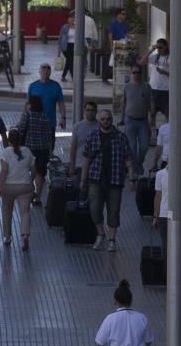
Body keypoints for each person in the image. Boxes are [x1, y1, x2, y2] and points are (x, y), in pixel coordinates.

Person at [81, 110, 135, 252]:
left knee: (114, 210)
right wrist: (83, 180)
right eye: (103, 119)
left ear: (112, 120)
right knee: (94, 209)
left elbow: (128, 159)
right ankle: (100, 234)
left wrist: (131, 178)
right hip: (95, 178)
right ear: (99, 121)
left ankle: (111, 239)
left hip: (115, 179)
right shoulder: (92, 137)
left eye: (108, 119)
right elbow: (86, 159)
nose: (106, 122)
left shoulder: (121, 137)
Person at [152, 163, 181, 280]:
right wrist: (155, 216)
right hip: (164, 215)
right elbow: (158, 196)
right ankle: (169, 278)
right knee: (167, 248)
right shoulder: (160, 174)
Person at [0, 129, 36, 250]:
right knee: (25, 212)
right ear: (20, 139)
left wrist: (0, 187)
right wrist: (31, 181)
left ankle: (7, 237)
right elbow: (34, 169)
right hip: (25, 186)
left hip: (8, 187)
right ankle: (25, 236)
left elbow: (4, 171)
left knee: (7, 212)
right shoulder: (27, 151)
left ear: (9, 140)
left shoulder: (6, 152)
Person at [16, 95, 53, 206]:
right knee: (40, 173)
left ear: (31, 104)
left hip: (28, 148)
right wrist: (50, 151)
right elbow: (48, 136)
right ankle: (37, 197)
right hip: (42, 149)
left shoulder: (27, 115)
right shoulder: (44, 117)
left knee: (27, 172)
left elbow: (20, 130)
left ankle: (29, 192)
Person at [95, 279, 153, 346]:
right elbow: (148, 341)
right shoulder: (142, 318)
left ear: (116, 302)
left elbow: (100, 342)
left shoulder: (110, 319)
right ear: (131, 301)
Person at [118, 64, 151, 176]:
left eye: (138, 72)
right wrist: (121, 119)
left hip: (143, 121)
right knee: (131, 148)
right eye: (134, 72)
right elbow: (123, 103)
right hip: (130, 120)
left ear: (141, 74)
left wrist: (152, 121)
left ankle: (138, 164)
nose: (136, 74)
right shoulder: (127, 87)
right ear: (131, 73)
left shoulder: (146, 86)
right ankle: (136, 171)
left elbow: (151, 104)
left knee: (144, 147)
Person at [140, 38, 170, 130]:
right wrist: (151, 50)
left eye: (160, 47)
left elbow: (176, 75)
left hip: (166, 90)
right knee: (152, 113)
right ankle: (152, 133)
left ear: (165, 47)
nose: (159, 49)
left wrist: (164, 72)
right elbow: (142, 62)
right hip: (153, 88)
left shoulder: (170, 57)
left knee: (167, 113)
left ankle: (167, 131)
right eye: (157, 47)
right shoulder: (156, 56)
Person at [27, 63, 67, 133]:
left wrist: (63, 118)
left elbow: (61, 103)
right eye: (43, 69)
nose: (45, 72)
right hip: (35, 123)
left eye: (48, 70)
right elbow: (27, 105)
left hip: (50, 124)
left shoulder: (56, 86)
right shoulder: (32, 86)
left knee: (50, 143)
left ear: (50, 72)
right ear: (39, 71)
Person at [69, 101, 99, 189]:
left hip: (96, 167)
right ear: (84, 111)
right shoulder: (77, 127)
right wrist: (72, 166)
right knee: (82, 192)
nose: (90, 112)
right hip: (80, 165)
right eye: (88, 110)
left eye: (92, 110)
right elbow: (73, 148)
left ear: (96, 111)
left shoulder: (100, 126)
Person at [105, 8, 127, 83]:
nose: (124, 16)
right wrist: (111, 46)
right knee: (112, 61)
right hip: (116, 44)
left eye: (125, 14)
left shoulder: (124, 24)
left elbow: (125, 34)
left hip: (122, 45)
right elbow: (110, 35)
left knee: (118, 61)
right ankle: (108, 77)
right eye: (123, 14)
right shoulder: (113, 23)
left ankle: (116, 77)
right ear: (118, 15)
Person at [58, 14, 77, 82]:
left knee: (69, 61)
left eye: (73, 18)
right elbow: (60, 37)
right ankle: (73, 77)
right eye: (70, 18)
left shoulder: (77, 26)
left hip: (74, 46)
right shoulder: (65, 27)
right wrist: (59, 50)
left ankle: (63, 76)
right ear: (67, 20)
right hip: (66, 46)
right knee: (70, 61)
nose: (71, 19)